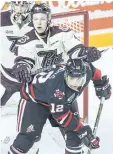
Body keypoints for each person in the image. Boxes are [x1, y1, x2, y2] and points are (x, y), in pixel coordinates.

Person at [8, 58, 111, 154]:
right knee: (26, 140)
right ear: (66, 75)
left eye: (78, 80)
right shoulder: (56, 90)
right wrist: (82, 129)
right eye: (71, 79)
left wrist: (100, 84)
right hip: (34, 100)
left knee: (75, 137)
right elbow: (63, 117)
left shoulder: (86, 69)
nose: (75, 84)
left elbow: (95, 72)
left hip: (62, 101)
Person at [0, 1, 34, 106]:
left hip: (28, 72)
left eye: (23, 5)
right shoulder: (2, 17)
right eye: (17, 4)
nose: (19, 8)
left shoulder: (37, 19)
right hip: (4, 70)